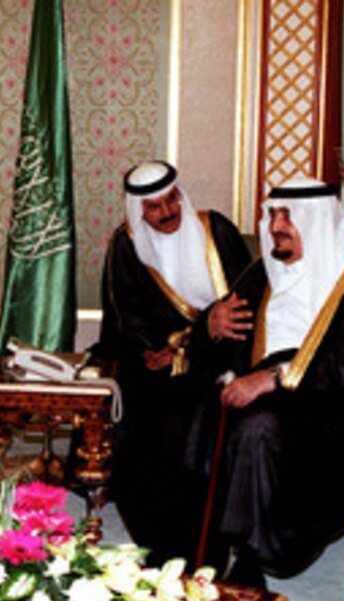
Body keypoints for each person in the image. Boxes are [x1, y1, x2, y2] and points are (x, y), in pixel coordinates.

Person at [193, 177, 344, 587]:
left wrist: (277, 377)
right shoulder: (262, 273)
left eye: (290, 217)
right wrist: (210, 325)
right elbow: (221, 334)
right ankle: (187, 545)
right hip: (251, 389)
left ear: (317, 224)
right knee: (178, 411)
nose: (277, 225)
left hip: (326, 408)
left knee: (258, 429)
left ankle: (251, 555)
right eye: (273, 215)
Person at [81, 160, 252, 565]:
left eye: (172, 199)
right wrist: (156, 346)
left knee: (192, 419)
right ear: (139, 210)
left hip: (219, 357)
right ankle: (158, 538)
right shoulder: (126, 245)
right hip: (155, 361)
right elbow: (126, 317)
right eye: (154, 207)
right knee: (137, 417)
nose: (168, 212)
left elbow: (247, 302)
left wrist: (192, 342)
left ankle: (201, 542)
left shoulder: (217, 231)